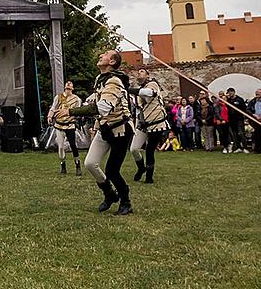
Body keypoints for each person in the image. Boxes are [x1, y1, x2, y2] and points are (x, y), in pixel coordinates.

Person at [57, 49, 134, 216]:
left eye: (106, 54)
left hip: (121, 130)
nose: (101, 55)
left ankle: (126, 201)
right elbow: (98, 100)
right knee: (90, 163)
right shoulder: (101, 79)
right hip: (105, 128)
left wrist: (71, 111)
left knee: (112, 170)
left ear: (112, 62)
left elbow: (103, 107)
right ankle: (109, 194)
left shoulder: (114, 81)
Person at [127, 69, 170, 183]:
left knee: (150, 150)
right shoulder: (139, 90)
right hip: (143, 123)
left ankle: (149, 177)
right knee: (134, 149)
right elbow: (138, 108)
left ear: (147, 75)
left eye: (142, 71)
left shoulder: (153, 84)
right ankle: (141, 168)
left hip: (157, 122)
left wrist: (129, 90)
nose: (139, 73)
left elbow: (149, 93)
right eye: (138, 72)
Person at [47, 81, 81, 176]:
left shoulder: (76, 99)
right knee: (61, 147)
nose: (68, 86)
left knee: (73, 145)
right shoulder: (58, 97)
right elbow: (53, 108)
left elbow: (78, 111)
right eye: (67, 85)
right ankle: (63, 165)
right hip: (59, 124)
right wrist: (50, 116)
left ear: (73, 88)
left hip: (70, 125)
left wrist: (73, 116)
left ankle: (77, 164)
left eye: (70, 86)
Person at [224, 88, 249, 153]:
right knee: (234, 134)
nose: (230, 93)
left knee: (241, 133)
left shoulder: (239, 99)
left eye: (231, 92)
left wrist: (245, 118)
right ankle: (238, 147)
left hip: (239, 119)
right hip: (231, 120)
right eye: (229, 92)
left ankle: (245, 147)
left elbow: (244, 109)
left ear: (234, 92)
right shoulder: (228, 100)